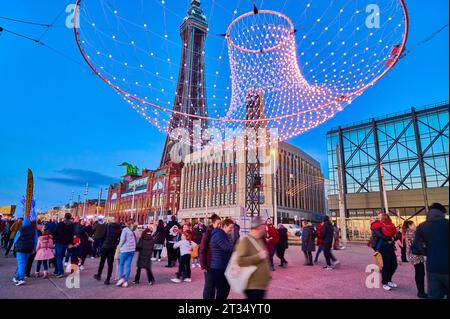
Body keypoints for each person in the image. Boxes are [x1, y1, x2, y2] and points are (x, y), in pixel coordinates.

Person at [414, 203, 449, 299]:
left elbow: (416, 248)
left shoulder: (422, 226)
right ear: (443, 212)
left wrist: (429, 251)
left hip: (432, 268)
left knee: (434, 296)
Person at [235, 216, 270, 299]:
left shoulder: (259, 240)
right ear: (258, 227)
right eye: (263, 225)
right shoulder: (245, 240)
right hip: (252, 286)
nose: (265, 228)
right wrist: (258, 257)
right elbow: (240, 261)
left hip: (260, 285)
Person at [370, 213, 397, 291]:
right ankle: (385, 282)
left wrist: (393, 238)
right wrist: (389, 238)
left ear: (384, 217)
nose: (377, 218)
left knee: (394, 265)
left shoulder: (391, 225)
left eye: (379, 216)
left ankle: (389, 280)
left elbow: (394, 234)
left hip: (390, 247)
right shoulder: (377, 225)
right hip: (383, 248)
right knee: (386, 265)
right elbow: (379, 235)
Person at [210, 218, 235, 299]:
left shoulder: (223, 235)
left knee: (225, 289)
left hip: (221, 266)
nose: (232, 230)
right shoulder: (219, 235)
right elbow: (228, 248)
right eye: (230, 227)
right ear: (224, 226)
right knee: (222, 290)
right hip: (218, 267)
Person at [94, 216, 122, 285]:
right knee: (110, 264)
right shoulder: (119, 228)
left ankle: (99, 275)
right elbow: (119, 238)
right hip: (112, 247)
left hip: (105, 246)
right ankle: (108, 279)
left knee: (102, 261)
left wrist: (103, 242)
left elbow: (103, 236)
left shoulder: (107, 226)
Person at [402, 220, 427, 299]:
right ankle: (421, 292)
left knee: (419, 272)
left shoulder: (407, 232)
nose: (415, 225)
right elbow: (418, 243)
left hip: (413, 255)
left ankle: (420, 291)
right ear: (409, 225)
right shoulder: (412, 233)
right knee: (420, 273)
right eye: (413, 224)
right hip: (416, 255)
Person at [199, 213, 221, 299]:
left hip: (215, 264)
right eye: (218, 224)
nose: (219, 226)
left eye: (220, 224)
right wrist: (203, 265)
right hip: (208, 264)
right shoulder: (208, 233)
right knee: (209, 285)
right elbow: (202, 249)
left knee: (213, 285)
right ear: (213, 223)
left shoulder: (217, 233)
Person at [12, 218, 38, 286]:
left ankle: (21, 279)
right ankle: (16, 277)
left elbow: (16, 240)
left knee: (21, 264)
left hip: (20, 249)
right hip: (29, 249)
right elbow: (35, 241)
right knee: (23, 263)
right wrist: (34, 249)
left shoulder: (20, 230)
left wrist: (14, 246)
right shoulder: (34, 231)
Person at [116, 220, 137, 288]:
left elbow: (122, 240)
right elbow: (138, 239)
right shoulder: (135, 230)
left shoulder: (125, 229)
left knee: (121, 264)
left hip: (125, 249)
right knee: (128, 265)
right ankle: (126, 282)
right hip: (132, 250)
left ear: (127, 224)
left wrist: (119, 247)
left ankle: (121, 279)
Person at [54, 213, 75, 278]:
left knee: (59, 257)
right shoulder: (71, 225)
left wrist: (54, 239)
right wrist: (71, 243)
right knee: (61, 257)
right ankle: (57, 271)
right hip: (67, 243)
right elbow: (72, 235)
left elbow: (55, 232)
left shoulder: (60, 224)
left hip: (59, 242)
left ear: (64, 217)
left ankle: (60, 272)